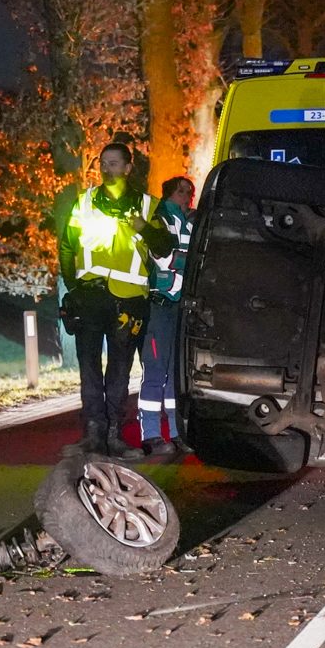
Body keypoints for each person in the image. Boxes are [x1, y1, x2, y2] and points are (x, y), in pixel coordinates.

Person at [57, 137, 172, 460]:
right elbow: (68, 246)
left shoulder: (148, 205)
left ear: (127, 167)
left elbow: (164, 248)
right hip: (90, 295)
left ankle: (114, 435)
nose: (107, 169)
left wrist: (142, 228)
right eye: (103, 163)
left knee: (120, 370)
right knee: (89, 367)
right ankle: (93, 433)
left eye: (114, 163)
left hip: (130, 301)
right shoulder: (85, 201)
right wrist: (73, 287)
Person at [137, 176, 194, 456]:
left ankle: (174, 432)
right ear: (169, 194)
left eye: (190, 192)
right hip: (159, 305)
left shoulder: (192, 222)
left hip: (180, 307)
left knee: (176, 375)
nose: (188, 196)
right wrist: (191, 261)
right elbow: (164, 258)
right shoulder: (160, 220)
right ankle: (150, 434)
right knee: (156, 371)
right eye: (182, 192)